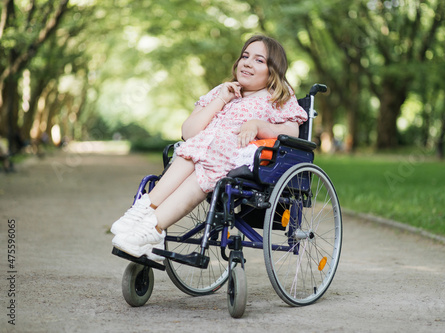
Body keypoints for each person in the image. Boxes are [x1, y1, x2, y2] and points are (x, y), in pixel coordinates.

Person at [111, 35, 308, 260]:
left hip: (240, 158)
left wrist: (257, 125)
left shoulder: (277, 96)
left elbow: (292, 132)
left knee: (201, 163)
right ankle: (145, 213)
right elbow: (189, 133)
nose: (247, 62)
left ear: (273, 71)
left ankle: (152, 225)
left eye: (258, 60)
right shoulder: (221, 91)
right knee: (193, 151)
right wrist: (221, 100)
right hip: (202, 151)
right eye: (245, 56)